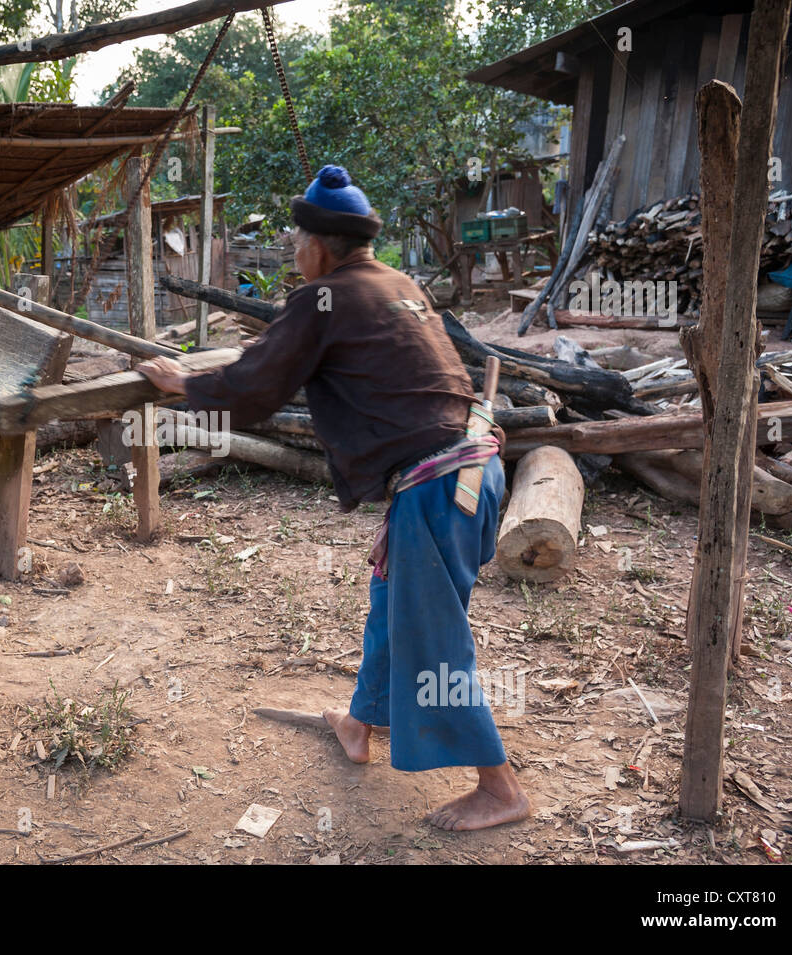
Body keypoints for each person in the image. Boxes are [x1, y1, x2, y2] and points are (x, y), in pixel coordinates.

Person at [137, 164, 529, 831]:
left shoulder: (324, 299)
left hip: (438, 487)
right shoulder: (400, 285)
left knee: (433, 638)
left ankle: (500, 787)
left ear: (321, 245)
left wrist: (183, 384)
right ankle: (359, 720)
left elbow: (258, 381)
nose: (293, 252)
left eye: (297, 240)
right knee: (391, 601)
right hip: (474, 468)